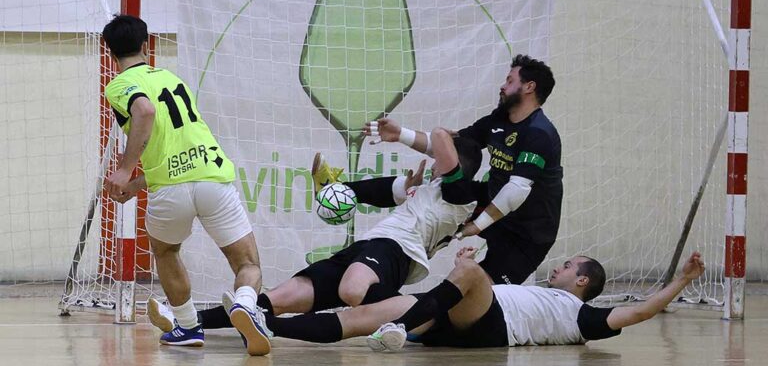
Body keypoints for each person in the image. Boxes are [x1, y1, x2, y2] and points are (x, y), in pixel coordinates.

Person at [148, 129, 483, 331]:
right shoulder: (428, 185)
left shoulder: (463, 194)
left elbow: (439, 137)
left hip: (396, 252)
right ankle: (189, 322)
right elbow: (366, 192)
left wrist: (409, 136)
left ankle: (419, 313)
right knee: (279, 298)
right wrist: (328, 185)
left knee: (354, 290)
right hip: (367, 247)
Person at [101, 15, 269, 355]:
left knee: (166, 251)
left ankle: (189, 326)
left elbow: (144, 111)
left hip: (170, 189)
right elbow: (177, 142)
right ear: (147, 45)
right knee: (248, 264)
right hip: (212, 179)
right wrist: (136, 184)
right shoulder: (171, 78)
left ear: (110, 53)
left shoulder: (119, 85)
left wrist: (124, 169)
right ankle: (246, 304)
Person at [365, 54, 562, 285]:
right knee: (443, 193)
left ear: (529, 87)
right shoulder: (498, 119)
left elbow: (516, 191)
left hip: (527, 232)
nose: (502, 85)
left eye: (509, 81)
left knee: (483, 294)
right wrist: (401, 135)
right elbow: (450, 146)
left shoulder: (539, 134)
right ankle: (391, 244)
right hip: (493, 200)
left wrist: (475, 227)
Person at [254, 250, 705, 350]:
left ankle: (403, 326)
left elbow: (642, 310)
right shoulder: (538, 290)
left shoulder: (583, 315)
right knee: (357, 316)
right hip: (451, 314)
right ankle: (266, 327)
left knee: (471, 273)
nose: (558, 268)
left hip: (492, 327)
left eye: (568, 266)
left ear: (583, 281)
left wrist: (682, 280)